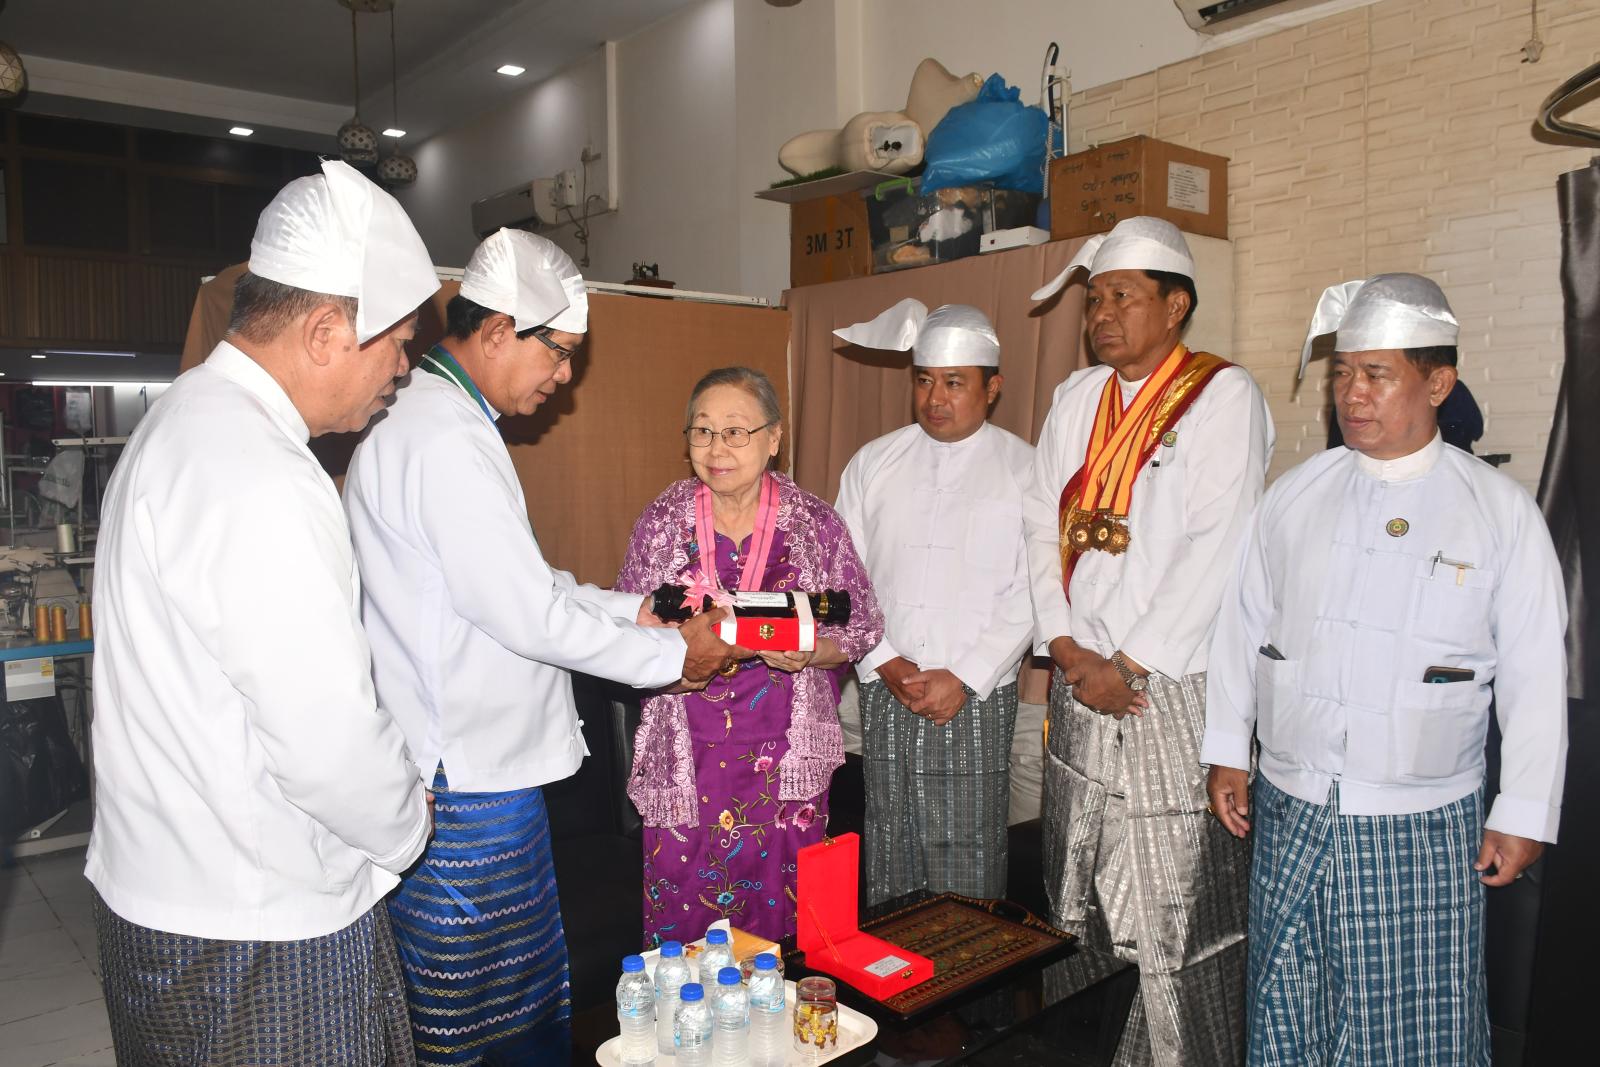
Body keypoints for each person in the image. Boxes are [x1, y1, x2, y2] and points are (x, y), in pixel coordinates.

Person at [344, 228, 735, 1066]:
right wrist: (676, 659)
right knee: (491, 1017)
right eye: (557, 353)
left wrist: (639, 611)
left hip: (462, 766)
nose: (563, 378)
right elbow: (528, 615)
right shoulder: (447, 439)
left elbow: (526, 583)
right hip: (468, 781)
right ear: (496, 331)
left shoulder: (439, 418)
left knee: (493, 1002)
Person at [86, 160, 439, 1066]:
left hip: (162, 899)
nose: (403, 370)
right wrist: (409, 820)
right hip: (259, 938)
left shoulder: (178, 421)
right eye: (398, 345)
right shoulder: (265, 474)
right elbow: (327, 747)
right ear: (326, 332)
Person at [1203, 273, 1568, 1067]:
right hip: (1293, 801)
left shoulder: (1498, 509)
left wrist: (1524, 810)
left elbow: (1537, 670)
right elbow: (1242, 629)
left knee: (1411, 1029)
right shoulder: (1294, 496)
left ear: (1438, 384)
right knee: (1286, 998)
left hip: (1420, 815)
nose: (1352, 393)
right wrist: (1229, 747)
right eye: (1342, 373)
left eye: (1376, 374)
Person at [1025, 216, 1274, 1066]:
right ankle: (1075, 1049)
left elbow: (1221, 544)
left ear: (1176, 306)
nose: (1102, 314)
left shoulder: (1223, 395)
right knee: (1077, 888)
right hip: (1080, 678)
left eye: (1122, 296)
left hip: (1167, 683)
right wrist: (1066, 650)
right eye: (1095, 298)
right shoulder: (1075, 399)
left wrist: (1127, 663)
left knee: (1177, 903)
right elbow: (1037, 525)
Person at [615, 366, 884, 946]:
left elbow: (862, 624)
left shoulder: (814, 524)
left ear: (773, 438)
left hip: (784, 753)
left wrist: (809, 653)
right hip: (687, 743)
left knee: (787, 912)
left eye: (736, 431)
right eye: (703, 431)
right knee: (687, 906)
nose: (718, 449)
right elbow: (628, 630)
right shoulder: (662, 522)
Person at [831, 299, 1034, 903]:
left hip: (977, 692)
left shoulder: (1027, 468)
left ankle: (970, 969)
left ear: (992, 388)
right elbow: (843, 575)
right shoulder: (874, 461)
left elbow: (1036, 589)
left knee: (969, 857)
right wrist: (882, 661)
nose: (935, 398)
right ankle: (893, 964)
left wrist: (965, 676)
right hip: (885, 683)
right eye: (924, 381)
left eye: (954, 383)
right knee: (889, 841)